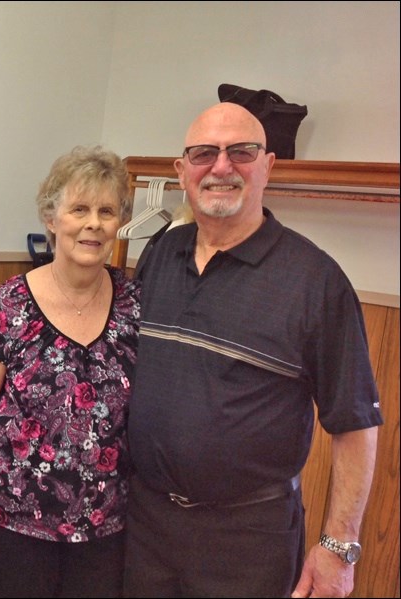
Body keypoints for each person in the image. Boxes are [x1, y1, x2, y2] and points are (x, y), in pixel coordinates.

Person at [123, 102, 383, 598]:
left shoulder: (315, 281)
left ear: (268, 166)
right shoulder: (159, 253)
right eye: (204, 154)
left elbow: (355, 424)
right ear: (181, 172)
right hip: (146, 526)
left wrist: (339, 546)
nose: (221, 167)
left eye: (240, 151)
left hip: (249, 541)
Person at [0, 145, 140, 598]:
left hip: (104, 535)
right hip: (9, 528)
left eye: (106, 211)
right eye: (79, 209)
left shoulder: (136, 305)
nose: (93, 222)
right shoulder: (8, 307)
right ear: (52, 219)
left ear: (119, 223)